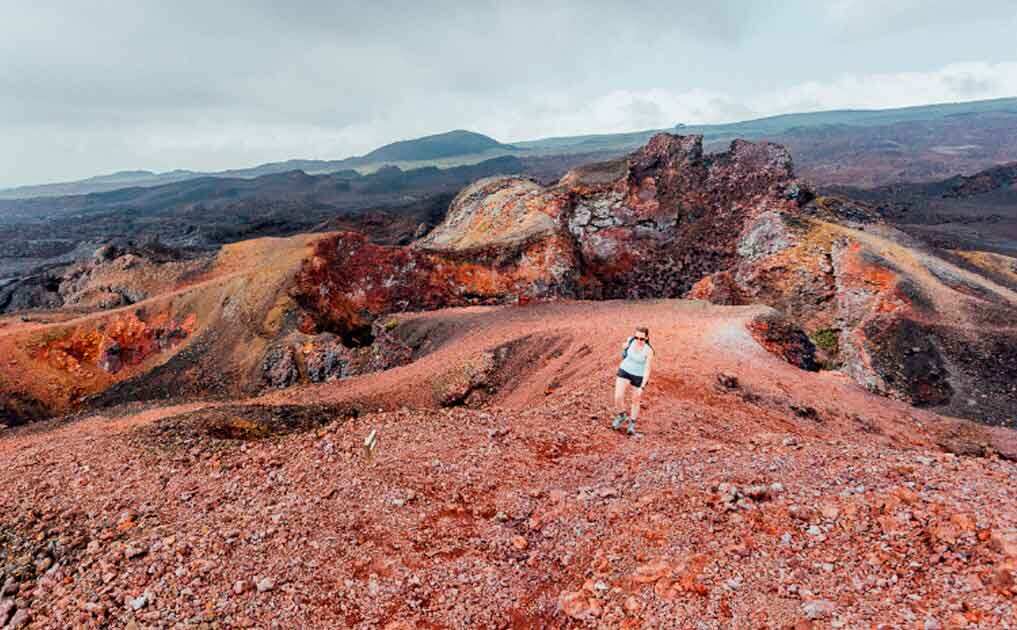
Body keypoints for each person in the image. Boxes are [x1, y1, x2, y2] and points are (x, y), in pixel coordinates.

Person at [612, 326, 653, 435]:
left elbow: (647, 370)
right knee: (618, 397)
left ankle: (632, 425)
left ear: (647, 338)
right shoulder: (631, 340)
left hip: (638, 375)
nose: (639, 341)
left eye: (642, 339)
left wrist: (642, 387)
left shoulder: (649, 351)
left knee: (635, 400)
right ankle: (622, 415)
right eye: (637, 337)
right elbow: (624, 345)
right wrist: (625, 345)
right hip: (625, 370)